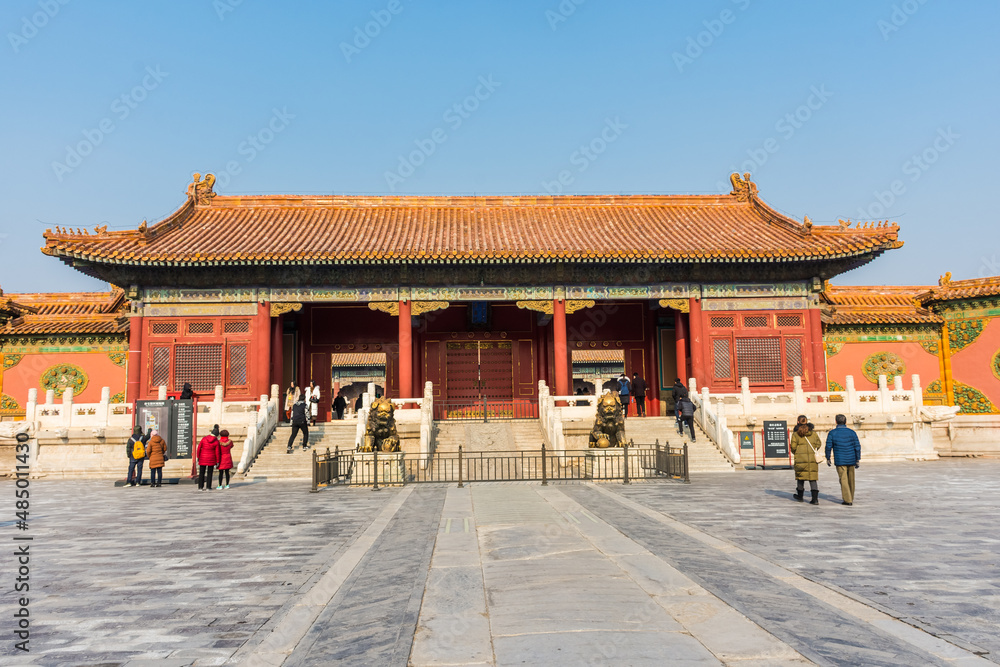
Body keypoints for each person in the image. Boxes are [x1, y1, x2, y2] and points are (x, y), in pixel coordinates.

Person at [826, 414, 861, 505]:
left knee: (843, 479)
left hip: (840, 459)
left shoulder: (832, 433)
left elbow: (828, 446)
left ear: (836, 421)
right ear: (845, 422)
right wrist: (857, 458)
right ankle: (851, 497)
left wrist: (828, 457)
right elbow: (857, 446)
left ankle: (847, 499)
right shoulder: (852, 432)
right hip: (851, 459)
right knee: (851, 479)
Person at [790, 417, 821, 505]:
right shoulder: (813, 433)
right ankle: (815, 499)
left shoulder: (796, 434)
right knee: (813, 478)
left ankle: (800, 496)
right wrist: (814, 450)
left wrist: (797, 452)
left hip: (800, 458)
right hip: (812, 458)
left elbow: (793, 447)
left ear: (798, 422)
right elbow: (819, 443)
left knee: (800, 477)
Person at [196, 425, 221, 490]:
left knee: (201, 473)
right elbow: (217, 452)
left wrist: (198, 456)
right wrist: (217, 461)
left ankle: (200, 487)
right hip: (211, 458)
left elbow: (199, 448)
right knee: (210, 473)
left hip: (203, 457)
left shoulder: (204, 439)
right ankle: (208, 487)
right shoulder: (216, 441)